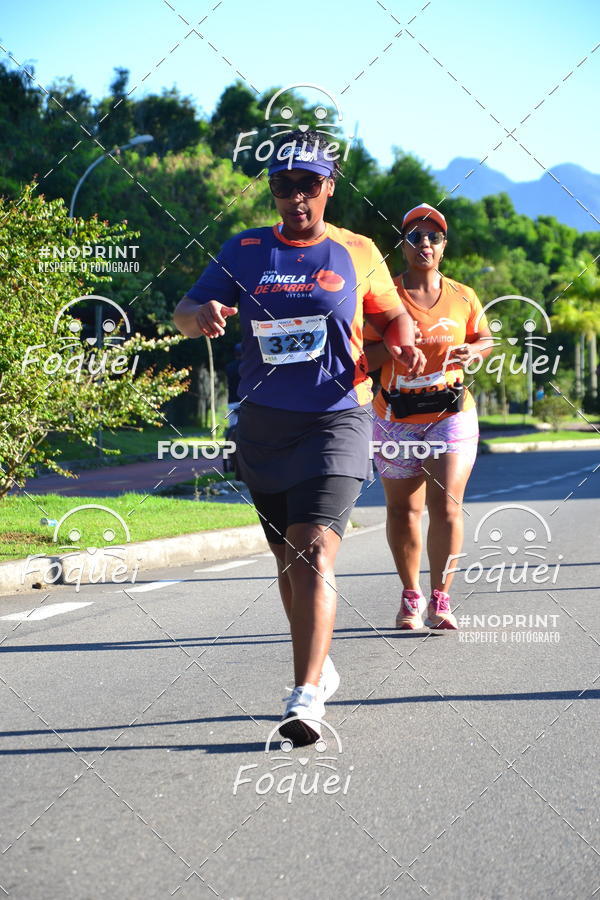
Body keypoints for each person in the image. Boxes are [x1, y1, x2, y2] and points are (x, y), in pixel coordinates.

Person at [173, 130, 424, 745]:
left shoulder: (359, 252)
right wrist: (197, 317)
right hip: (263, 427)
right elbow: (184, 307)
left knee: (314, 551)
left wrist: (403, 339)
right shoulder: (246, 249)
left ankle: (305, 696)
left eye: (307, 185)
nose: (295, 197)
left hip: (338, 418)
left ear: (328, 187)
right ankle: (321, 664)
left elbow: (391, 313)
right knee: (289, 561)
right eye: (282, 186)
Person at [364, 203, 493, 630]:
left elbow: (485, 338)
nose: (424, 243)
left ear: (443, 246)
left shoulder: (463, 295)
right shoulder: (385, 298)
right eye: (415, 236)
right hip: (395, 417)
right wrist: (397, 347)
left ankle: (441, 598)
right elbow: (363, 357)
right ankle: (410, 595)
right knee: (402, 510)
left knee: (447, 506)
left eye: (433, 237)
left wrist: (474, 350)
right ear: (401, 246)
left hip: (450, 413)